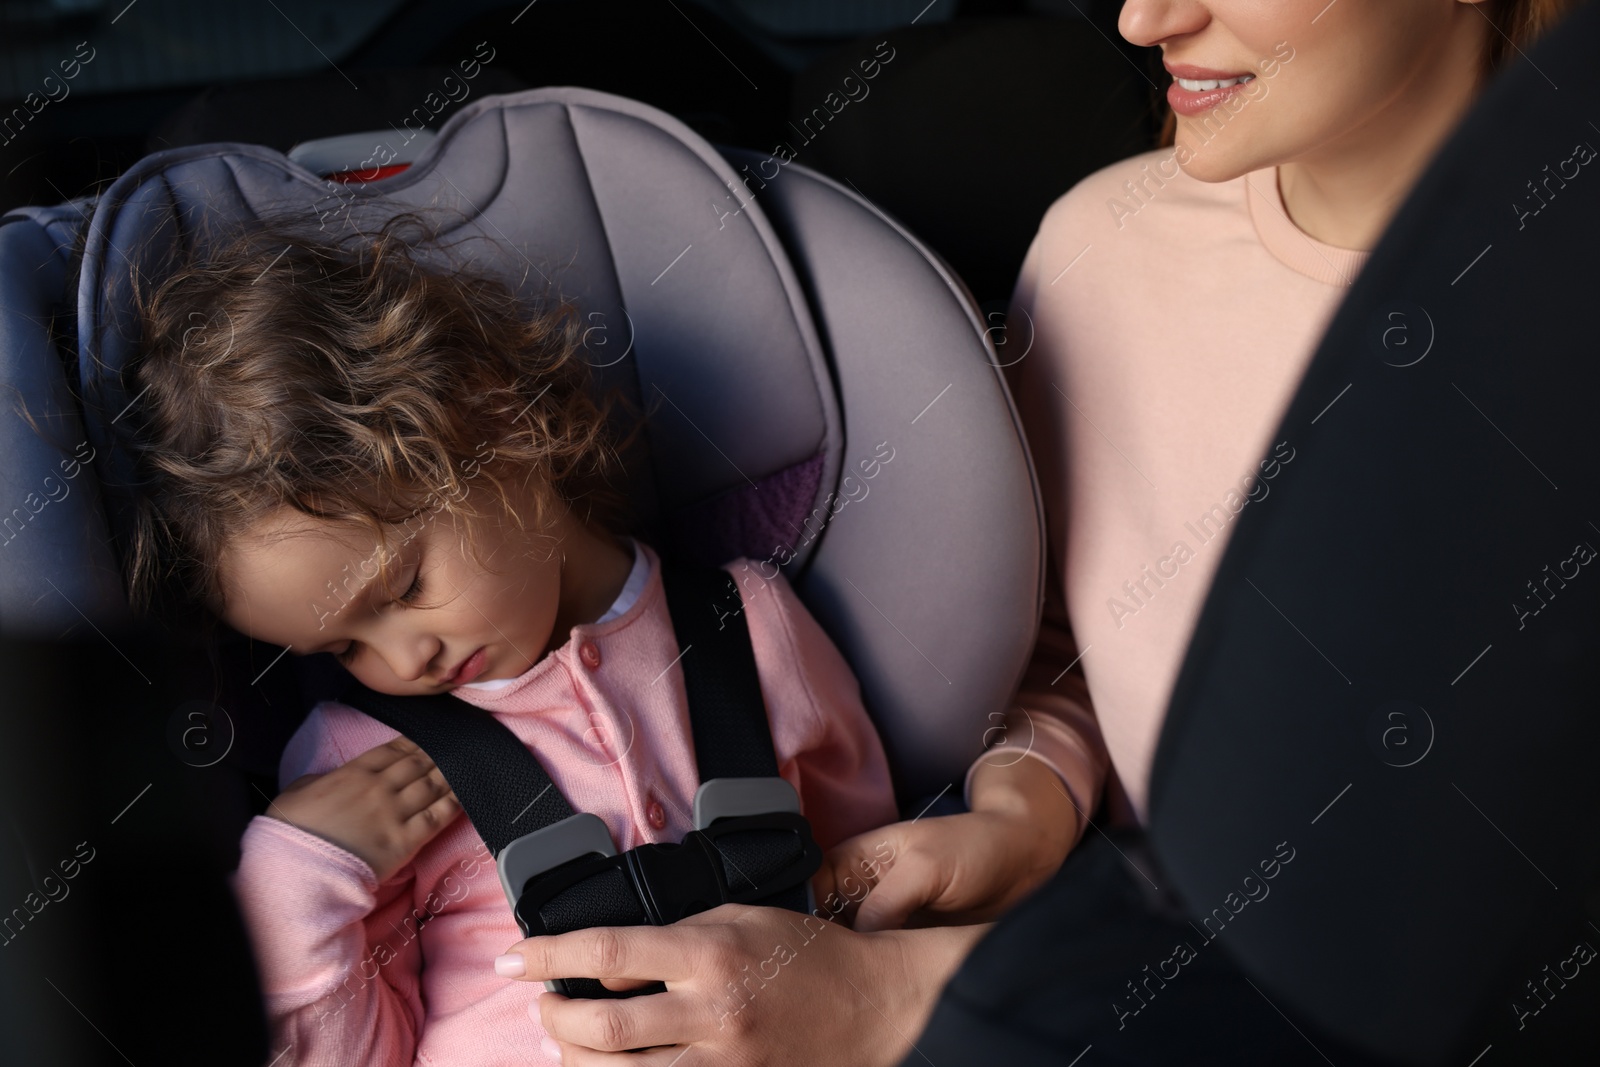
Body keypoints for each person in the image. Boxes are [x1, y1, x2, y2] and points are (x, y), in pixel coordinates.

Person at [489, 1, 1579, 1064]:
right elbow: (1072, 646)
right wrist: (1026, 806)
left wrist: (900, 998)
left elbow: (1443, 938)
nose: (1144, 20)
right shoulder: (1105, 246)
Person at [118, 217, 1087, 1066]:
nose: (399, 658)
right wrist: (298, 878)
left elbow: (855, 882)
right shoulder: (358, 768)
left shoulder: (745, 628)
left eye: (405, 587)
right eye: (341, 645)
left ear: (494, 423)